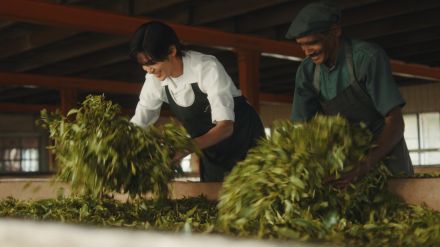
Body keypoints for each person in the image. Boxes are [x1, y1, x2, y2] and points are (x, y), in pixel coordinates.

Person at [285, 1, 413, 187]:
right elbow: (300, 127)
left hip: (385, 154)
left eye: (313, 43)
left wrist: (363, 166)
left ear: (335, 31)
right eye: (301, 46)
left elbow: (395, 123)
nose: (307, 52)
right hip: (344, 160)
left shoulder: (367, 58)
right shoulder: (306, 72)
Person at [129, 21, 265, 182]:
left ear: (171, 51)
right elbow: (139, 123)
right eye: (143, 65)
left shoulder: (205, 68)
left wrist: (186, 147)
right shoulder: (154, 80)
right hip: (211, 149)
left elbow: (226, 127)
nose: (148, 70)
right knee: (214, 199)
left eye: (152, 62)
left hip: (244, 142)